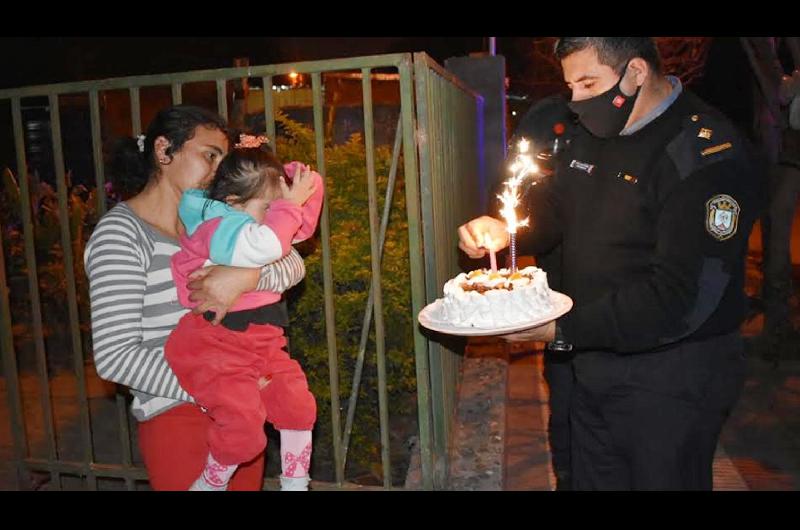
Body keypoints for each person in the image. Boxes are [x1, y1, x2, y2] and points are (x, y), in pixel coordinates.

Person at [458, 38, 762, 490]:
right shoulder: (595, 132)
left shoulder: (705, 156)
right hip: (592, 359)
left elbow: (681, 297)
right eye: (570, 85)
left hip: (670, 377)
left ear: (635, 73)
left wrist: (558, 329)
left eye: (588, 83)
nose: (576, 102)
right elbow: (557, 211)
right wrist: (508, 230)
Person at [84, 105, 308, 490]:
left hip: (241, 411)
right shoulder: (120, 235)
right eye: (209, 155)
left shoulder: (214, 221)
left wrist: (246, 277)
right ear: (163, 150)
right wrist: (220, 386)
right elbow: (114, 356)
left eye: (223, 159)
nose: (217, 171)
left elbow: (293, 265)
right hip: (179, 414)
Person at [165, 135, 323, 491]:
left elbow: (295, 243)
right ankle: (210, 484)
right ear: (234, 203)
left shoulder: (251, 217)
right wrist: (288, 206)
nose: (278, 217)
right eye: (269, 209)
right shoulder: (217, 227)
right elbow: (266, 246)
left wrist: (297, 183)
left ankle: (297, 484)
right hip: (217, 344)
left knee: (298, 406)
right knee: (244, 431)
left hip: (262, 343)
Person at [501, 94, 577, 490]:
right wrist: (502, 230)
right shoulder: (547, 119)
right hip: (562, 329)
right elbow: (540, 222)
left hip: (628, 339)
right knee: (564, 421)